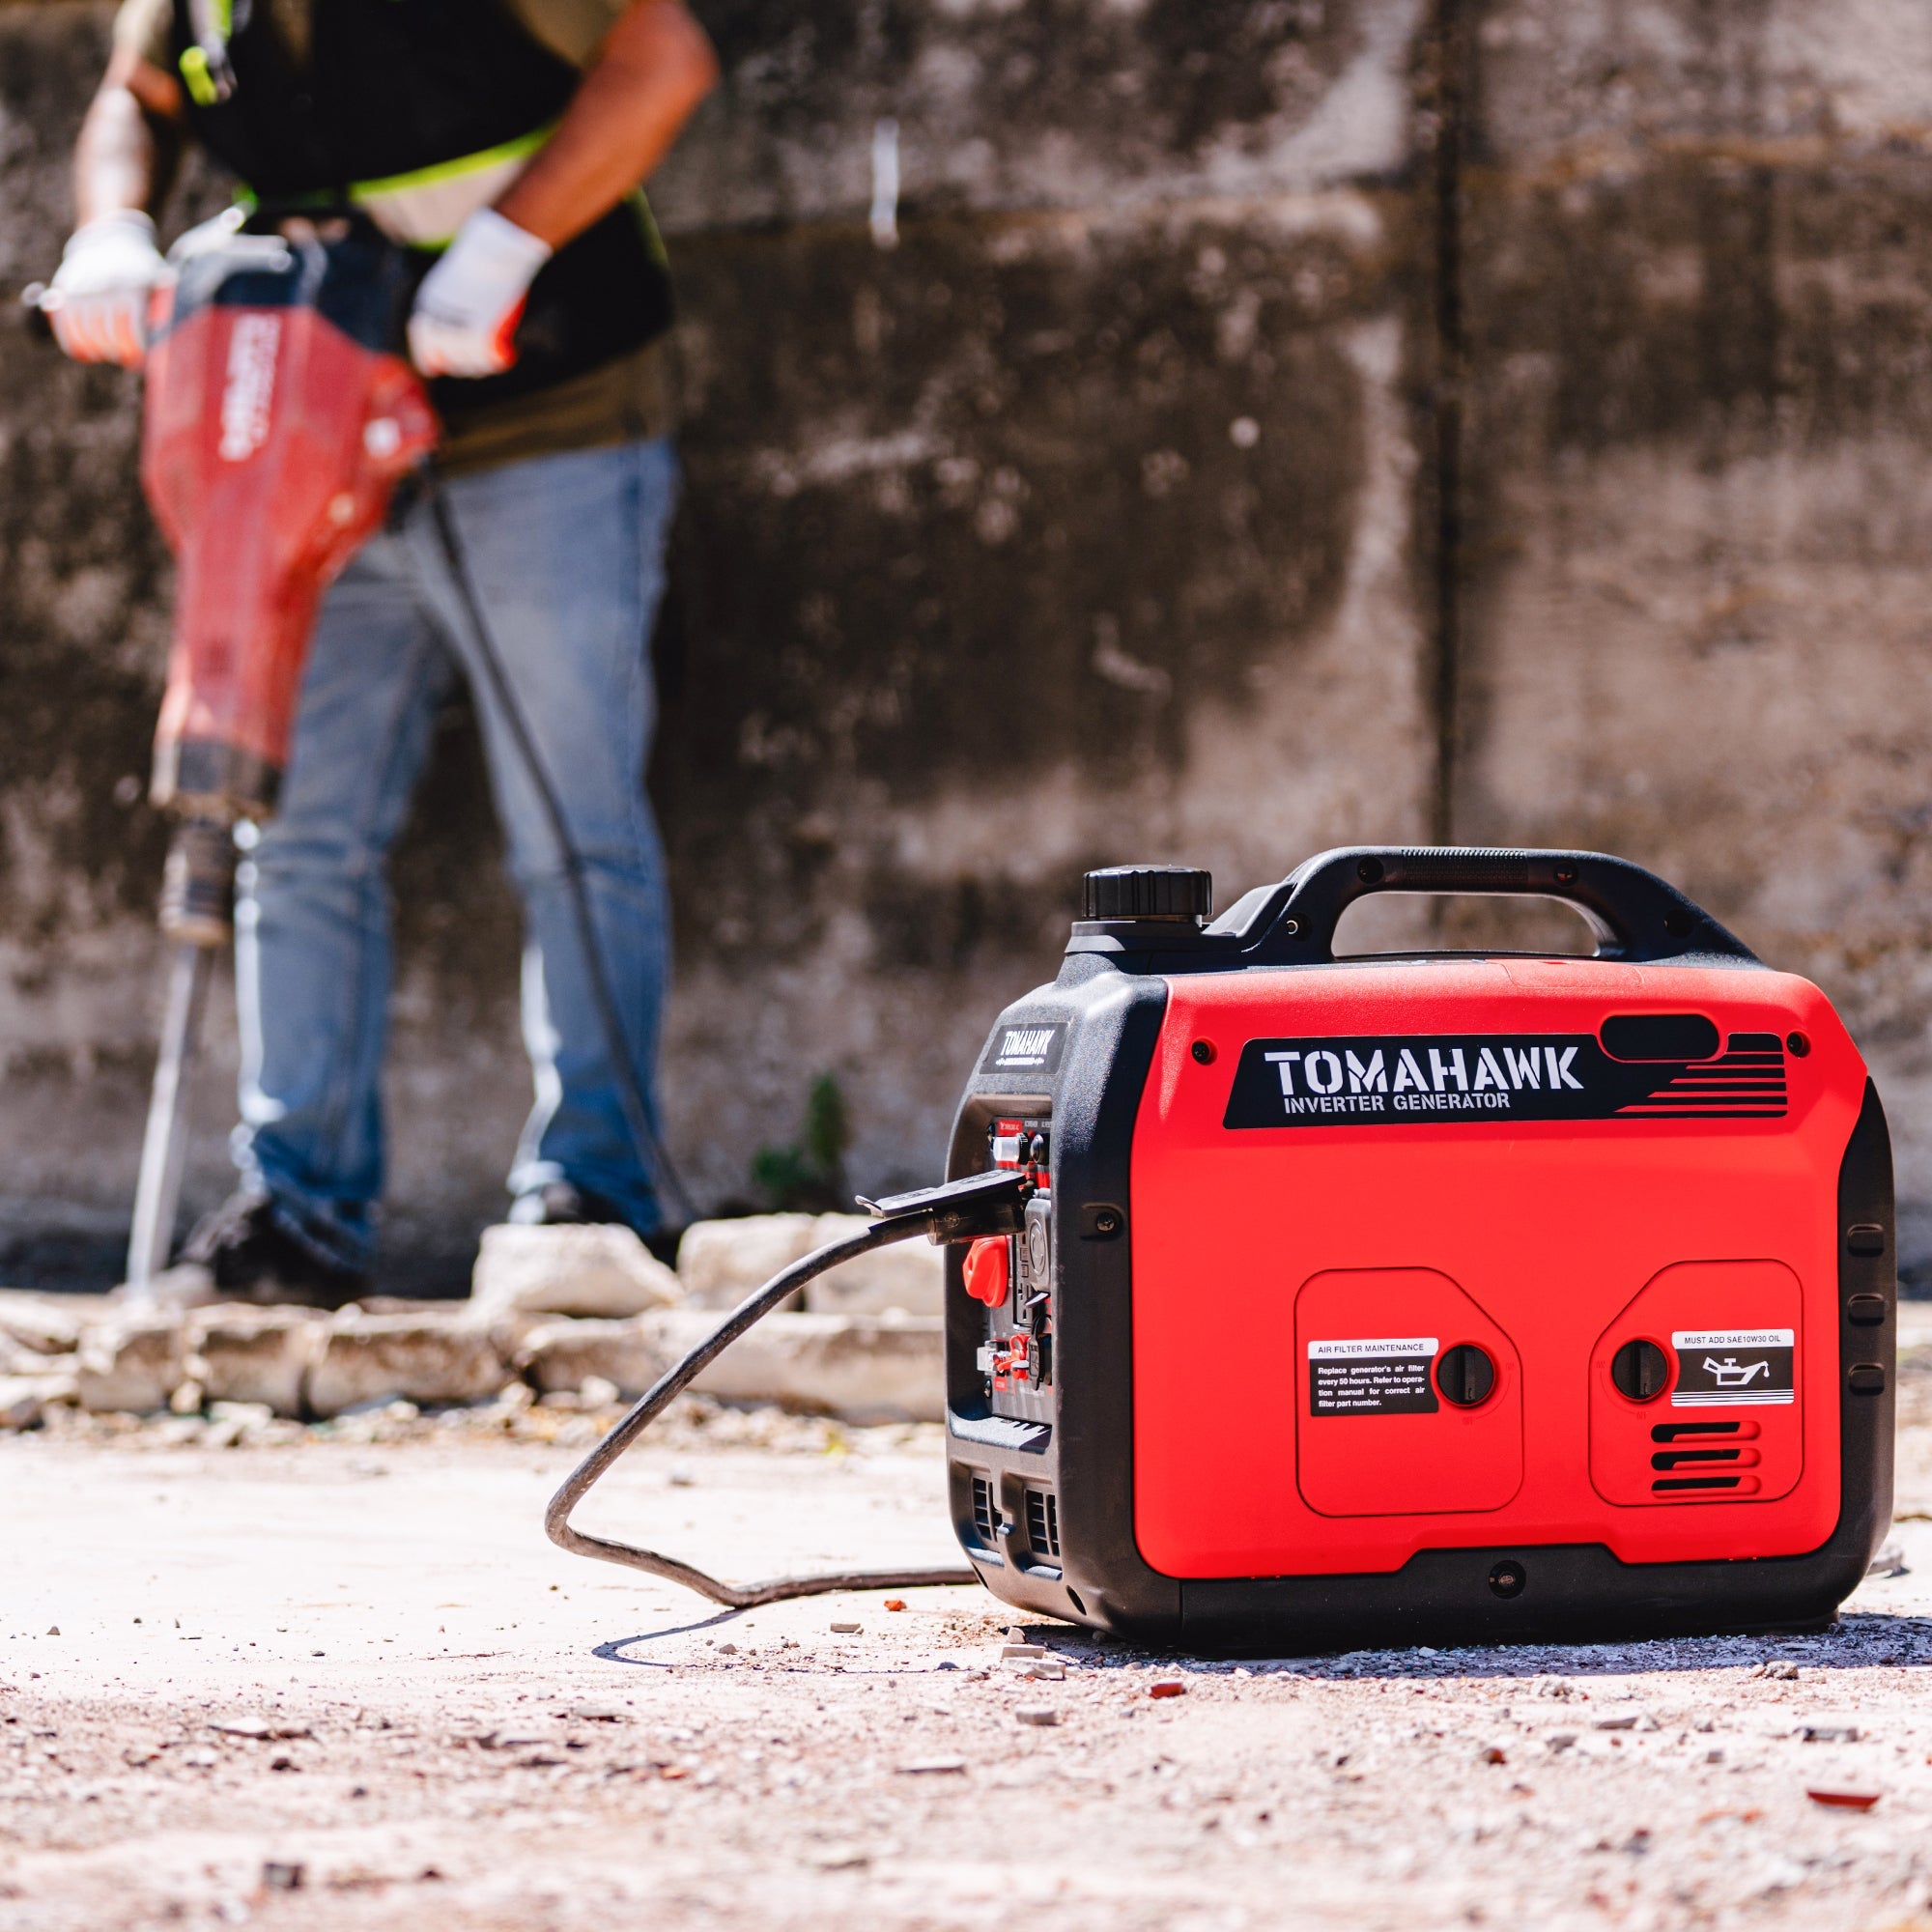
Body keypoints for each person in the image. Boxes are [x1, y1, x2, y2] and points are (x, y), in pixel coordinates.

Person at [49, 0, 718, 1304]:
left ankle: (591, 1204)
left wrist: (507, 243)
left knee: (573, 824)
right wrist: (110, 227)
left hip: (547, 427)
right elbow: (139, 92)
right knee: (296, 831)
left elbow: (661, 59)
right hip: (320, 441)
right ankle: (296, 1216)